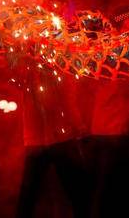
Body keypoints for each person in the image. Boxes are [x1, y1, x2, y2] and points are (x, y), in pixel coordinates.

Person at [15, 66, 95, 218]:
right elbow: (67, 101)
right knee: (78, 193)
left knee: (29, 197)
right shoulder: (59, 68)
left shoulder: (26, 68)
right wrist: (79, 127)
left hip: (41, 138)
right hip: (57, 137)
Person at [90, 9, 129, 217]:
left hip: (119, 128)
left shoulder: (120, 46)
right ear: (124, 22)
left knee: (118, 189)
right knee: (110, 189)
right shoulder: (116, 48)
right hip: (111, 128)